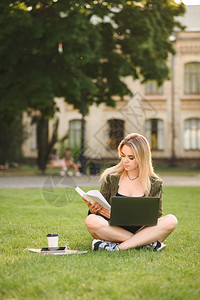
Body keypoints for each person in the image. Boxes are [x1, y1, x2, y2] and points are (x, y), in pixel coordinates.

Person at [84, 133, 178, 252]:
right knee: (91, 220)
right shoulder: (111, 178)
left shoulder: (155, 183)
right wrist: (94, 210)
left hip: (143, 230)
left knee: (171, 220)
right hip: (114, 230)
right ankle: (144, 243)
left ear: (142, 157)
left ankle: (117, 247)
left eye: (131, 157)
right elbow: (99, 211)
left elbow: (156, 216)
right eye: (123, 156)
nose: (125, 161)